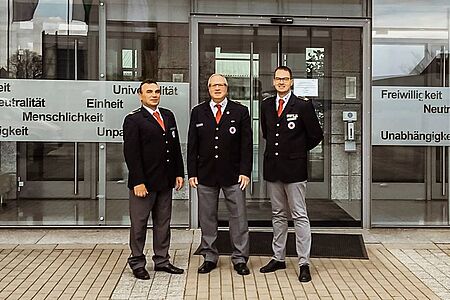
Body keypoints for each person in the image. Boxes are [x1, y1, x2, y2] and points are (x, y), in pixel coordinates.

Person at [259, 66, 323, 283]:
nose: (281, 82)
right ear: (273, 81)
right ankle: (278, 257)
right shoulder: (266, 104)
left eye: (285, 79)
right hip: (273, 168)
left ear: (292, 81)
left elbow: (316, 135)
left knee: (299, 215)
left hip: (294, 169)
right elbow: (266, 133)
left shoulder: (303, 105)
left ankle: (304, 261)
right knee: (278, 214)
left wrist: (296, 151)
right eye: (278, 79)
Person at [187, 74, 252, 275]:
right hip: (205, 174)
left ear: (227, 88)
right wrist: (192, 172)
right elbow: (192, 145)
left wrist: (245, 171)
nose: (217, 88)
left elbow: (246, 145)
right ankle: (209, 256)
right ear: (208, 89)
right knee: (207, 218)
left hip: (234, 175)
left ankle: (240, 258)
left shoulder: (240, 111)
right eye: (213, 85)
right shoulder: (198, 112)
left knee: (238, 217)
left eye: (221, 85)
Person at [123, 79, 185, 280]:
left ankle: (162, 260)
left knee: (163, 223)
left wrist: (179, 173)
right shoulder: (134, 120)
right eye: (149, 91)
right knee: (139, 224)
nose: (154, 95)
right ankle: (137, 262)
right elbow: (131, 154)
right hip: (144, 184)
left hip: (165, 181)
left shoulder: (167, 115)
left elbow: (175, 147)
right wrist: (138, 181)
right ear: (140, 95)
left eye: (157, 91)